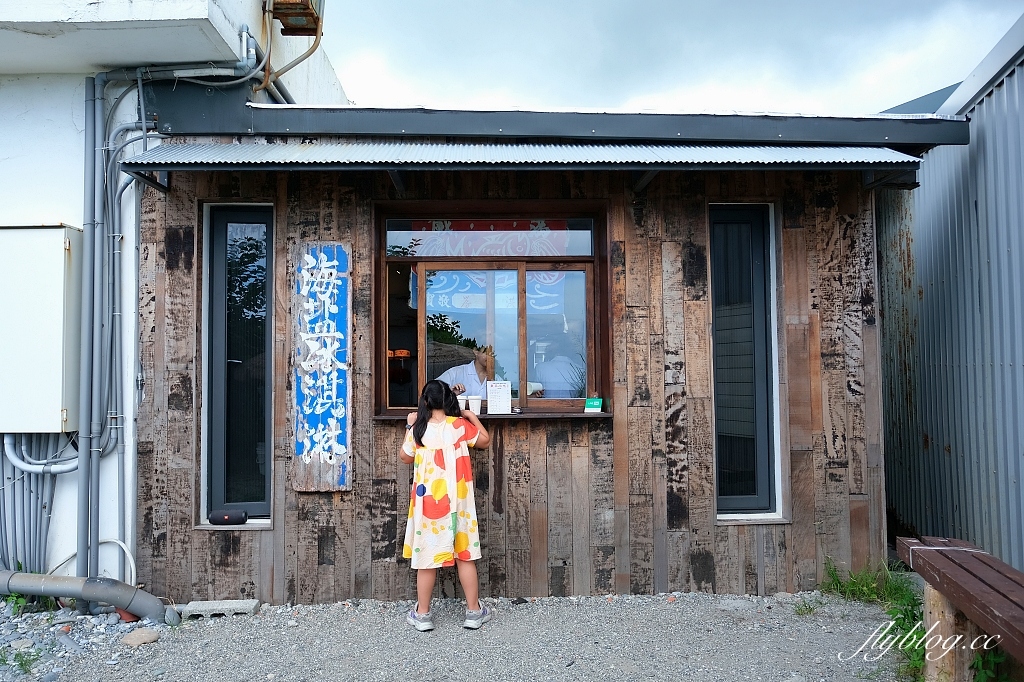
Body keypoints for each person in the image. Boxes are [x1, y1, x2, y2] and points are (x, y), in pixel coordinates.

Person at [400, 380, 492, 631]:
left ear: (426, 402)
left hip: (429, 504)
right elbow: (484, 440)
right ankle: (473, 612)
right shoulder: (460, 426)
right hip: (458, 502)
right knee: (465, 553)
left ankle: (423, 615)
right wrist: (471, 415)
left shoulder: (418, 430)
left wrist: (409, 425)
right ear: (449, 400)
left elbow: (405, 456)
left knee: (427, 557)